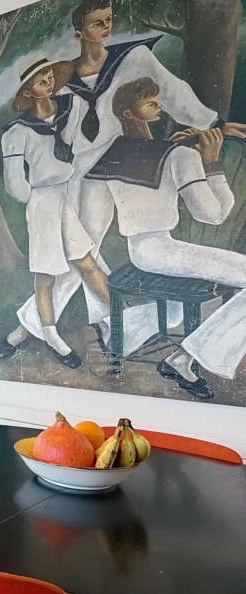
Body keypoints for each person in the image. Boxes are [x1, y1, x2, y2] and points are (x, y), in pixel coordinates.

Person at [0, 0, 246, 371]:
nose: (106, 28)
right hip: (80, 173)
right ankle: (33, 327)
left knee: (82, 255)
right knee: (77, 255)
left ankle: (57, 327)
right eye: (97, 23)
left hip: (121, 161)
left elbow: (173, 91)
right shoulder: (62, 80)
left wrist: (213, 123)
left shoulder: (134, 59)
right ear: (80, 31)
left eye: (109, 20)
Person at [85, 77, 246, 398]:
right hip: (164, 251)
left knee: (187, 303)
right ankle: (183, 359)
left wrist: (175, 148)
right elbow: (213, 215)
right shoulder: (180, 157)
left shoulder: (112, 154)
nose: (158, 105)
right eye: (149, 102)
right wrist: (211, 163)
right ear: (129, 113)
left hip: (139, 252)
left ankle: (116, 328)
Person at [0, 55, 109, 367]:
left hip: (68, 194)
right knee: (46, 273)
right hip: (43, 202)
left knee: (86, 262)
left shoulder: (71, 109)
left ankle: (118, 320)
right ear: (28, 91)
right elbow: (14, 184)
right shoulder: (17, 132)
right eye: (39, 80)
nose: (47, 80)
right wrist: (37, 199)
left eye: (48, 74)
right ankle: (51, 335)